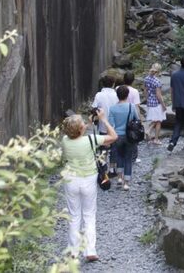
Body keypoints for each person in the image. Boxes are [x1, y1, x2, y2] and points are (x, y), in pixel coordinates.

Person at [60, 111, 116, 262]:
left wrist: (88, 124)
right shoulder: (91, 140)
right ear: (80, 129)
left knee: (74, 215)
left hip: (71, 180)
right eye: (82, 124)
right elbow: (113, 137)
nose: (85, 124)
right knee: (89, 215)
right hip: (88, 180)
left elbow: (78, 134)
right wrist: (103, 120)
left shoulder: (65, 140)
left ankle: (73, 251)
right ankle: (90, 250)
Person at [107, 86, 141, 190]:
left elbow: (111, 125)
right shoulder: (131, 107)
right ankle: (126, 183)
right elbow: (137, 119)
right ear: (127, 95)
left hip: (117, 136)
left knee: (119, 157)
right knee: (128, 158)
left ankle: (119, 178)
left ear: (117, 95)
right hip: (129, 136)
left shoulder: (112, 108)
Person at [143, 64, 167, 144]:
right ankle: (155, 139)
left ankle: (149, 132)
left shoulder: (146, 79)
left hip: (150, 102)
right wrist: (163, 105)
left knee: (155, 120)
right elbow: (158, 95)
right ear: (159, 71)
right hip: (157, 103)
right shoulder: (157, 81)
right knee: (158, 121)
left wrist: (147, 100)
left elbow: (145, 91)